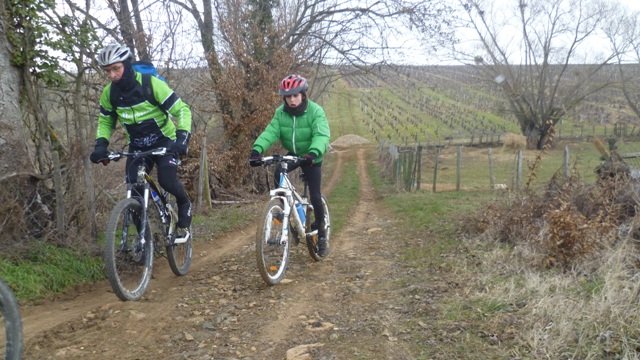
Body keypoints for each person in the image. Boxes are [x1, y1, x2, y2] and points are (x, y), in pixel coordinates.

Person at [89, 43, 192, 241]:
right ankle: (145, 243)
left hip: (165, 141)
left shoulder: (151, 84)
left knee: (167, 181)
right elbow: (105, 120)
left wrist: (182, 138)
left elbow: (182, 110)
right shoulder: (109, 94)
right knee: (133, 191)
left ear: (126, 65)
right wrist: (101, 145)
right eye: (107, 71)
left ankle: (184, 202)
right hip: (137, 145)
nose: (111, 75)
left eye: (116, 68)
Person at [249, 74, 331, 257]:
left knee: (315, 196)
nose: (292, 100)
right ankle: (282, 211)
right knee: (279, 173)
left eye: (295, 95)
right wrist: (257, 150)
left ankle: (322, 234)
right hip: (294, 153)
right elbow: (271, 131)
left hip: (311, 155)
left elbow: (322, 135)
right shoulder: (281, 113)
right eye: (288, 96)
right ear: (284, 98)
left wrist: (314, 153)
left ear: (302, 94)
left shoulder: (315, 111)